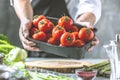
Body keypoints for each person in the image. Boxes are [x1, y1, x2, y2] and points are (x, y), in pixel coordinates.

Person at [10, 0, 101, 58]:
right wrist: (25, 20)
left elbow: (90, 3)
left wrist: (82, 26)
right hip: (37, 44)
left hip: (71, 48)